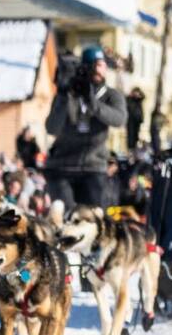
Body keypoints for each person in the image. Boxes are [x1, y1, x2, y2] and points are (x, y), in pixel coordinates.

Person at [44, 45, 127, 211]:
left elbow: (119, 119)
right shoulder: (69, 92)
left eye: (101, 65)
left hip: (93, 166)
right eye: (92, 65)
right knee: (64, 217)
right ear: (83, 68)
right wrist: (62, 95)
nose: (97, 70)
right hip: (63, 165)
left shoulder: (111, 96)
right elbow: (52, 128)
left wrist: (93, 104)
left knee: (92, 219)